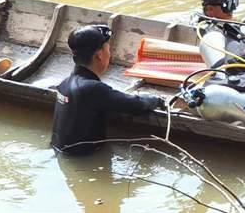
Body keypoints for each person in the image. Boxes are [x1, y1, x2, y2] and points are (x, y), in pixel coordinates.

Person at [51, 24, 162, 155]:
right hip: (85, 160)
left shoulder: (65, 83)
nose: (110, 54)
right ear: (99, 55)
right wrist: (156, 99)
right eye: (108, 50)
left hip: (62, 154)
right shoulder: (92, 89)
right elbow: (139, 106)